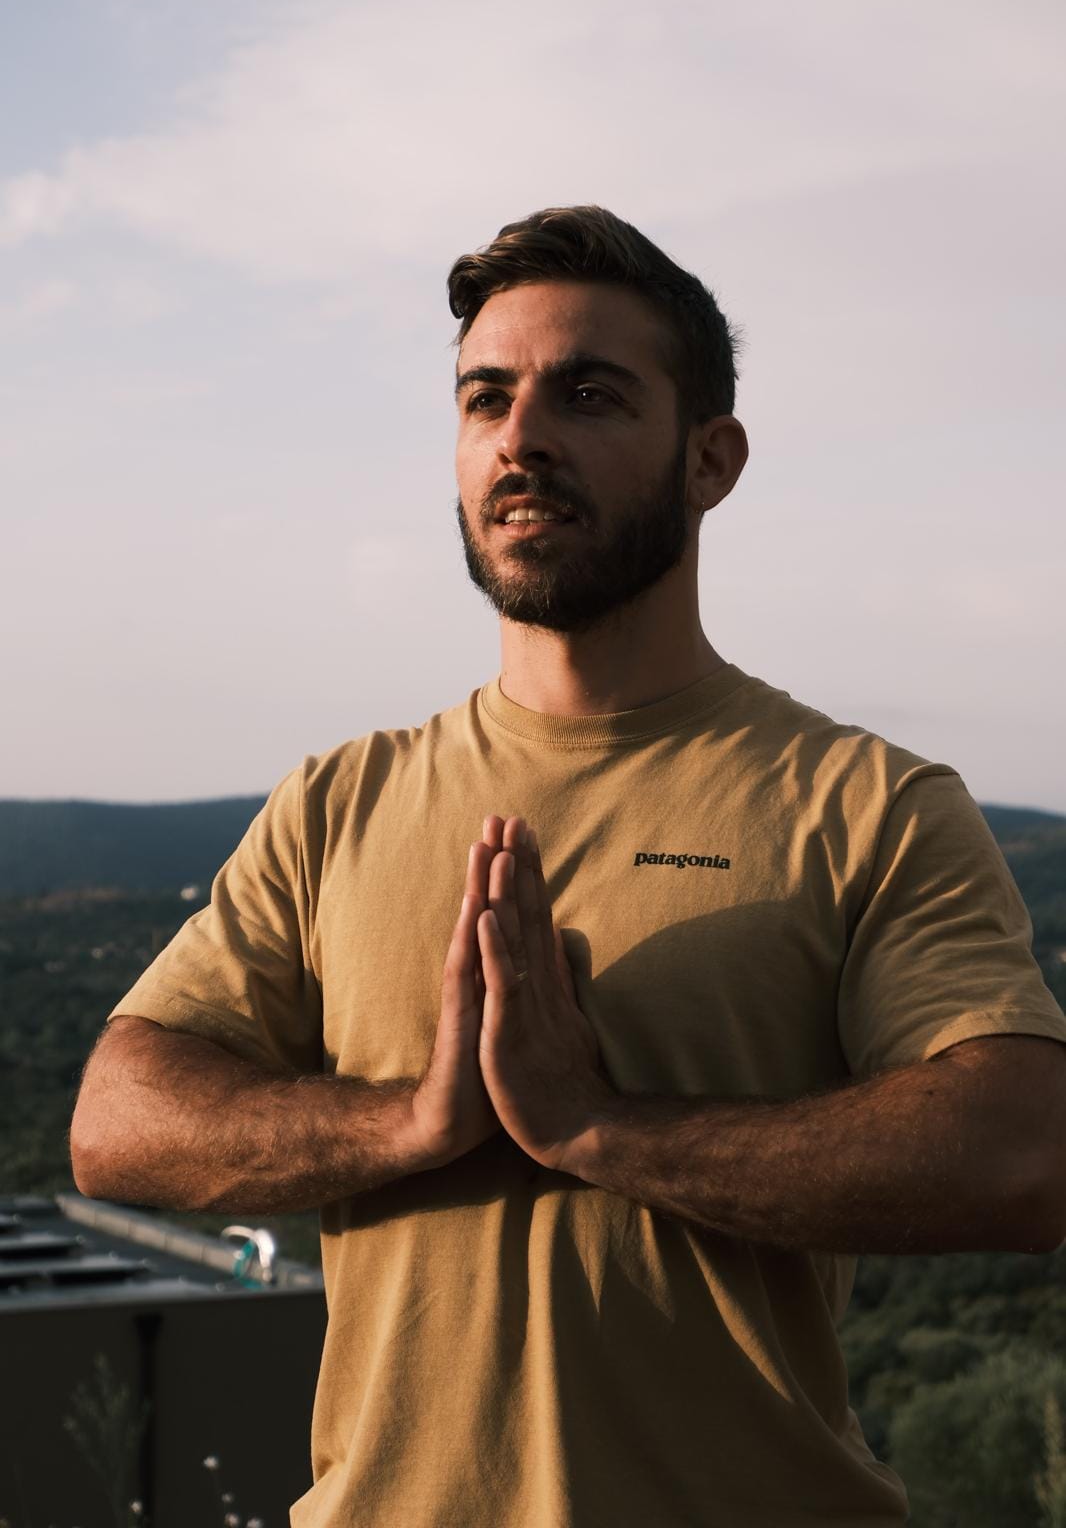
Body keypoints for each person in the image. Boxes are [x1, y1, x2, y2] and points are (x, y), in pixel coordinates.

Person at [71, 206, 1066, 1528]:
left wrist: (602, 1127)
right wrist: (412, 1122)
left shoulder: (867, 806)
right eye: (486, 398)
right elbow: (116, 1122)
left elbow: (1020, 1153)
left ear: (709, 461)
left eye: (587, 395)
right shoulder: (337, 801)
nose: (521, 437)